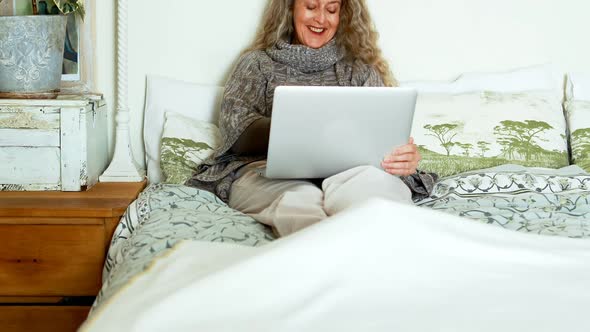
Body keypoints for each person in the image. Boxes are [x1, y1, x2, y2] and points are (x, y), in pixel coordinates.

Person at [188, 0, 437, 236]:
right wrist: (299, 127)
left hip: (351, 173)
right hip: (268, 173)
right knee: (300, 208)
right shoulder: (257, 63)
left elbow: (382, 134)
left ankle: (386, 259)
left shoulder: (359, 68)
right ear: (290, 8)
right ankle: (326, 264)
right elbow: (236, 131)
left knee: (378, 198)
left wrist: (401, 156)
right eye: (311, 6)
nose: (321, 18)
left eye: (331, 9)